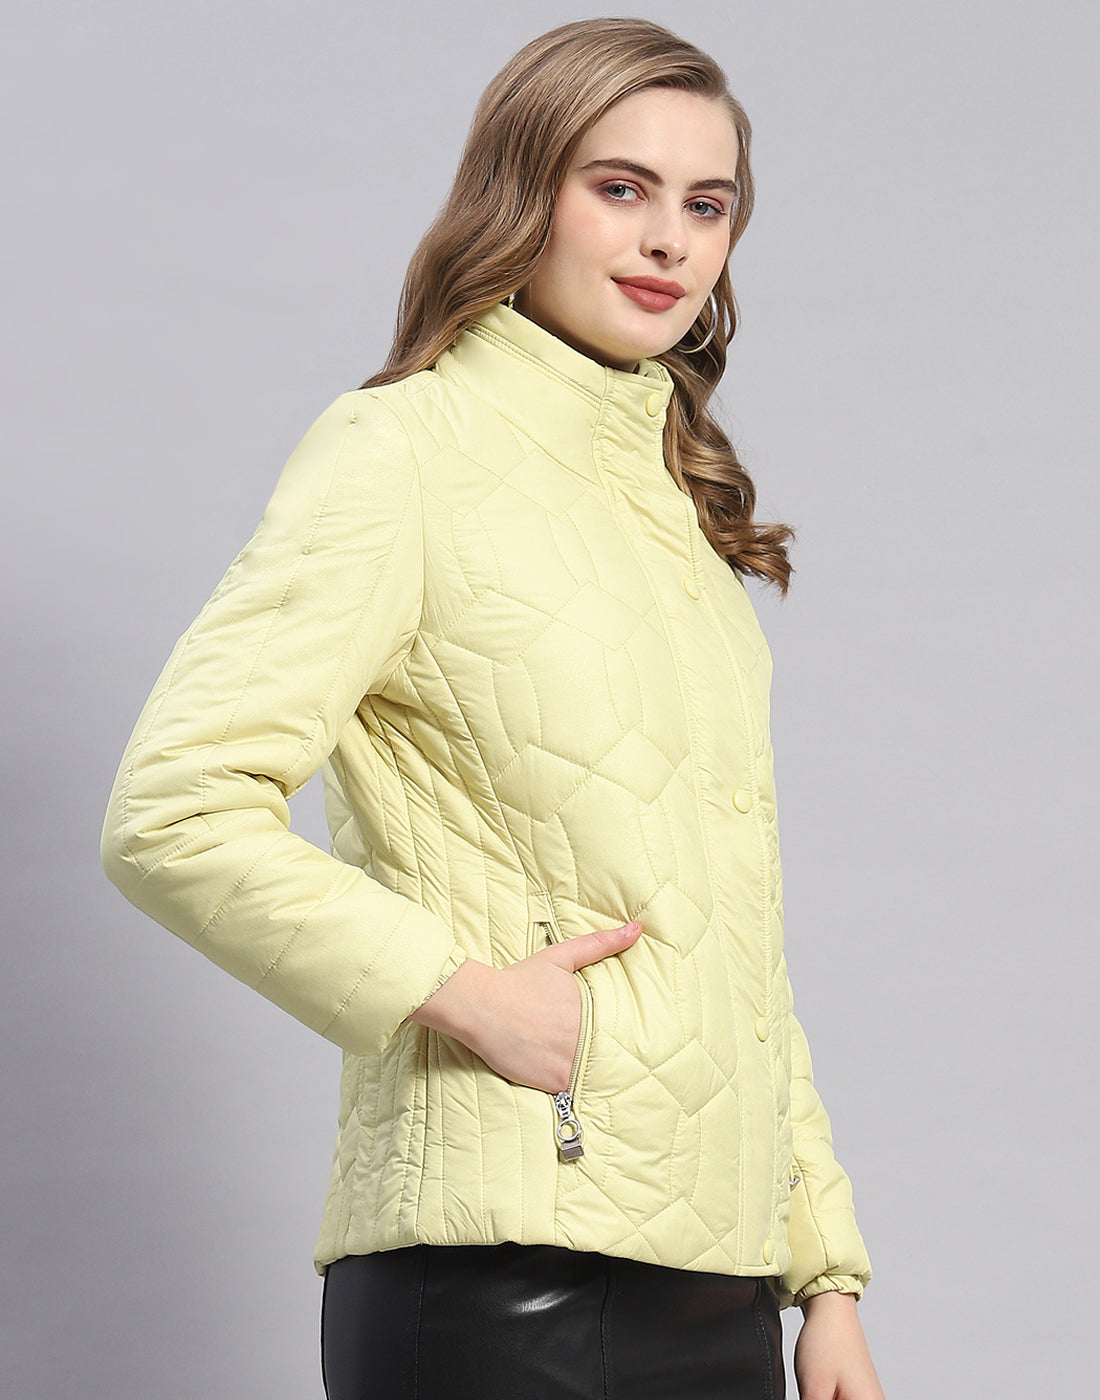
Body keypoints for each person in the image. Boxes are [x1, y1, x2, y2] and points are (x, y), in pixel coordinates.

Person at [101, 17, 887, 1400]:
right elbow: (171, 813)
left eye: (707, 206)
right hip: (500, 1276)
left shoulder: (677, 509)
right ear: (524, 193)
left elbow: (736, 941)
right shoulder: (401, 451)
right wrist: (460, 994)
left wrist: (825, 1280)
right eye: (621, 187)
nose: (669, 241)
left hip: (722, 1288)